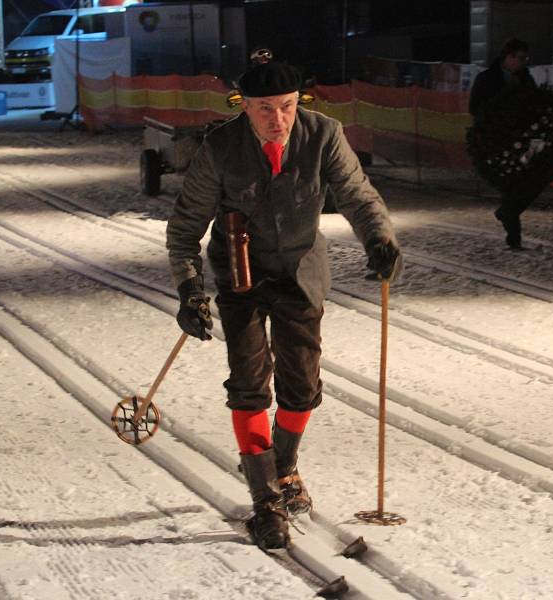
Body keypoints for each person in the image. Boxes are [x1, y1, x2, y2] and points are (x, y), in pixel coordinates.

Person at [166, 61, 402, 551]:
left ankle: (285, 466)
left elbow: (357, 196)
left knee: (301, 385)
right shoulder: (221, 148)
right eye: (266, 109)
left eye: (288, 107)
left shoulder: (324, 135)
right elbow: (186, 227)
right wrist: (190, 288)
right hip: (241, 275)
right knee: (250, 383)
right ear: (244, 106)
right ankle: (265, 501)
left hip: (300, 272)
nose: (279, 119)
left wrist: (380, 239)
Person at [469, 38, 538, 250]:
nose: (523, 62)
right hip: (495, 140)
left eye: (525, 59)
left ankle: (507, 212)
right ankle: (514, 236)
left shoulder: (526, 79)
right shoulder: (487, 79)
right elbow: (475, 107)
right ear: (507, 57)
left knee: (526, 183)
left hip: (521, 140)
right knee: (510, 185)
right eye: (519, 58)